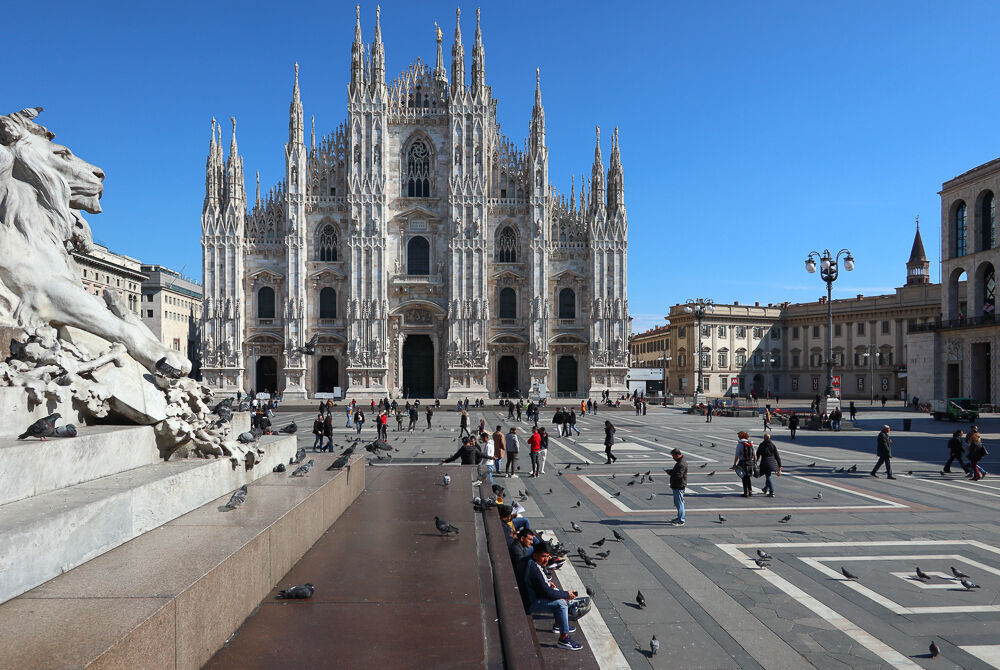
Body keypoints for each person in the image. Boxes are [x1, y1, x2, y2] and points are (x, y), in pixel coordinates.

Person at [523, 543, 583, 651]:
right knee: (561, 604)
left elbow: (539, 585)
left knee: (556, 592)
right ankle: (564, 639)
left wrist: (547, 583)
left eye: (548, 556)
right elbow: (548, 594)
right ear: (535, 555)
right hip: (529, 603)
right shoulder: (534, 568)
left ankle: (559, 624)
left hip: (529, 595)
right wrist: (566, 594)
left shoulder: (531, 562)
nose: (546, 559)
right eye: (543, 556)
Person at [756, 433, 782, 497]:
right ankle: (765, 488)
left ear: (764, 438)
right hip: (772, 463)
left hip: (765, 463)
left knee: (768, 477)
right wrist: (780, 466)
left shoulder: (762, 445)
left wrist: (755, 462)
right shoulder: (772, 445)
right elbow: (777, 456)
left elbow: (757, 455)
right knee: (768, 475)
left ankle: (771, 492)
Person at [732, 431, 756, 497]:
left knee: (744, 477)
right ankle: (750, 490)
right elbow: (754, 454)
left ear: (740, 436)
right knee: (748, 477)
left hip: (743, 462)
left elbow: (737, 455)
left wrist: (734, 464)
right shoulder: (750, 443)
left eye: (738, 436)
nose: (738, 437)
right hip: (750, 462)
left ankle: (746, 492)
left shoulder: (739, 444)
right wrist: (755, 462)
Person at [668, 448, 687, 525]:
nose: (673, 458)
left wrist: (670, 473)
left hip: (679, 485)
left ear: (677, 455)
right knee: (678, 503)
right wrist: (671, 471)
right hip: (677, 485)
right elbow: (677, 473)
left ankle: (681, 520)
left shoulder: (681, 463)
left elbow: (678, 475)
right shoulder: (680, 462)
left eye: (673, 456)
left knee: (680, 504)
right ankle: (679, 517)